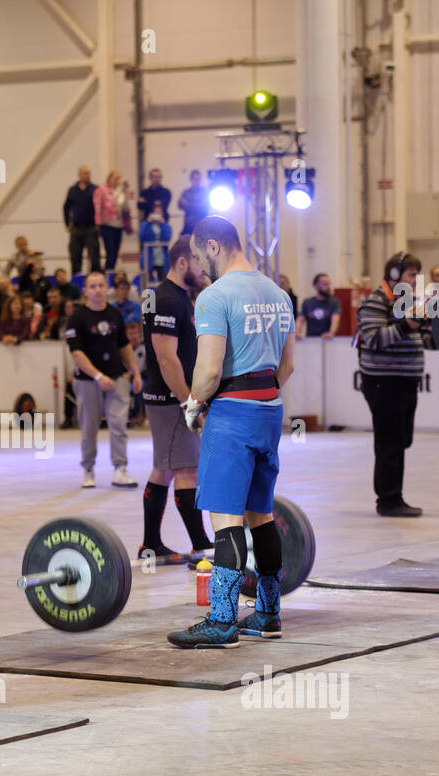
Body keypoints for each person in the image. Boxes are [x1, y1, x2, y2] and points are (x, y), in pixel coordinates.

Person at [167, 216, 295, 649]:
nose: (200, 267)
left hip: (232, 414)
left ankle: (222, 620)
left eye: (201, 257)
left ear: (214, 246)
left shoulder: (214, 297)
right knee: (261, 516)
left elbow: (208, 370)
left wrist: (194, 406)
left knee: (225, 519)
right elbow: (288, 367)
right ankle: (267, 614)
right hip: (270, 411)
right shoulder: (279, 294)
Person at [139, 238, 212, 563]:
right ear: (182, 262)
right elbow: (166, 358)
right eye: (197, 260)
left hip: (169, 396)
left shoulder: (175, 297)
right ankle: (201, 545)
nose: (201, 267)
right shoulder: (166, 299)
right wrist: (188, 404)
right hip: (170, 398)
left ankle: (151, 545)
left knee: (164, 469)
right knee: (187, 469)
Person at [355, 251, 434, 517]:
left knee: (400, 440)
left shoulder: (409, 304)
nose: (416, 280)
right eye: (412, 274)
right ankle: (389, 501)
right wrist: (406, 326)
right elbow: (374, 339)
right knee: (389, 442)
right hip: (383, 383)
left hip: (404, 382)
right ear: (394, 275)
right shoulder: (375, 303)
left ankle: (392, 497)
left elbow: (426, 340)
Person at [66, 271, 140, 488]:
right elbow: (77, 354)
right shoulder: (77, 318)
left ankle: (120, 469)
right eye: (93, 286)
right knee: (89, 428)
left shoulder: (115, 314)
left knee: (119, 426)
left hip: (116, 378)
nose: (97, 290)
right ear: (85, 291)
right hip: (88, 382)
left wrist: (134, 371)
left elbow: (124, 345)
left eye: (101, 286)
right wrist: (98, 376)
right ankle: (88, 469)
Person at [94, 171, 133, 278]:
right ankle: (106, 276)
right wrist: (97, 223)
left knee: (115, 254)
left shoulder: (121, 192)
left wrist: (125, 192)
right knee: (110, 253)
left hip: (118, 226)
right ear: (109, 178)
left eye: (119, 178)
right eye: (115, 178)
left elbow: (125, 208)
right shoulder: (102, 190)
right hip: (107, 225)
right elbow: (97, 207)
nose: (117, 181)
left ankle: (110, 275)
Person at [63, 166, 100, 275]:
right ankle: (76, 278)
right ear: (79, 175)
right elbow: (66, 207)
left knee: (94, 256)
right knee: (75, 256)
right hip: (76, 228)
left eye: (88, 173)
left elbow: (100, 207)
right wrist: (67, 223)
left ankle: (95, 277)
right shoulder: (72, 190)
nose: (86, 175)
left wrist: (99, 223)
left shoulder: (95, 189)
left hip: (91, 227)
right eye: (84, 173)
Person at [297, 273, 341, 338]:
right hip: (311, 340)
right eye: (325, 284)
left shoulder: (334, 302)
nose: (328, 287)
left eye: (329, 284)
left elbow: (335, 320)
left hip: (328, 340)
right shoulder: (307, 302)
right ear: (316, 285)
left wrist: (331, 333)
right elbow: (300, 320)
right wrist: (297, 332)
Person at [138, 200, 172, 281]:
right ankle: (148, 294)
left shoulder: (165, 225)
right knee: (147, 283)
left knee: (164, 283)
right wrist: (147, 222)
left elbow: (168, 237)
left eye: (159, 213)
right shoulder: (145, 225)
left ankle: (163, 294)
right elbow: (141, 236)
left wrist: (163, 223)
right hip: (148, 257)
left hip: (162, 258)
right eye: (155, 213)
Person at [177, 169, 208, 235]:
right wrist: (198, 205)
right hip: (188, 225)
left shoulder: (205, 192)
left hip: (202, 225)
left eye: (198, 179)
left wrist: (188, 205)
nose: (197, 181)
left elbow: (204, 206)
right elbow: (180, 204)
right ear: (191, 179)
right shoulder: (186, 192)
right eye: (195, 179)